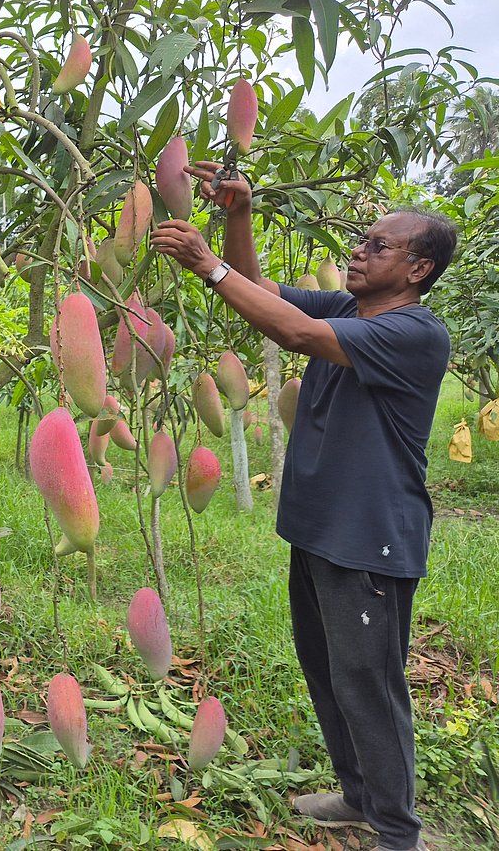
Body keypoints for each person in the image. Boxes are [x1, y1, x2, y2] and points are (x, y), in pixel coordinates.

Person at [149, 161, 457, 851]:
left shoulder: (416, 334)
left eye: (379, 245)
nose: (359, 249)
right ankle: (356, 795)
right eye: (361, 239)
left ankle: (399, 834)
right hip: (319, 530)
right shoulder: (351, 309)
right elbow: (260, 294)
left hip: (368, 539)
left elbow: (292, 334)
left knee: (370, 686)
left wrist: (205, 265)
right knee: (329, 674)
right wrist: (237, 215)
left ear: (418, 268)